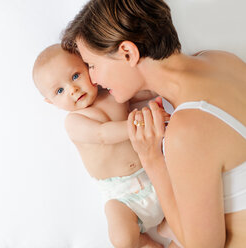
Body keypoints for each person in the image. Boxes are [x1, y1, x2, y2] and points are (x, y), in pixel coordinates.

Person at [60, 0, 246, 247]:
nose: (93, 79)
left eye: (92, 65)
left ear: (128, 52)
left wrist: (151, 158)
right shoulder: (222, 61)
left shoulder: (188, 130)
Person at [32, 44, 173, 248]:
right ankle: (142, 242)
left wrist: (164, 84)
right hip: (121, 196)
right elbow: (103, 134)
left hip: (152, 172)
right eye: (60, 90)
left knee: (185, 186)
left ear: (88, 67)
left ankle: (170, 225)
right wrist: (140, 123)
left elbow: (142, 92)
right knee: (122, 240)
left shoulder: (112, 93)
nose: (73, 89)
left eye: (75, 76)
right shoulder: (74, 122)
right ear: (51, 102)